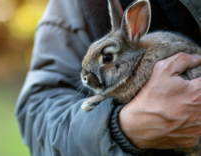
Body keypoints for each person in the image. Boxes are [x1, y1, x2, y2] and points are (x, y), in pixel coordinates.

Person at [15, 0, 201, 155]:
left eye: (107, 58)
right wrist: (122, 126)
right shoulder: (69, 7)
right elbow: (38, 113)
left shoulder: (155, 55)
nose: (85, 78)